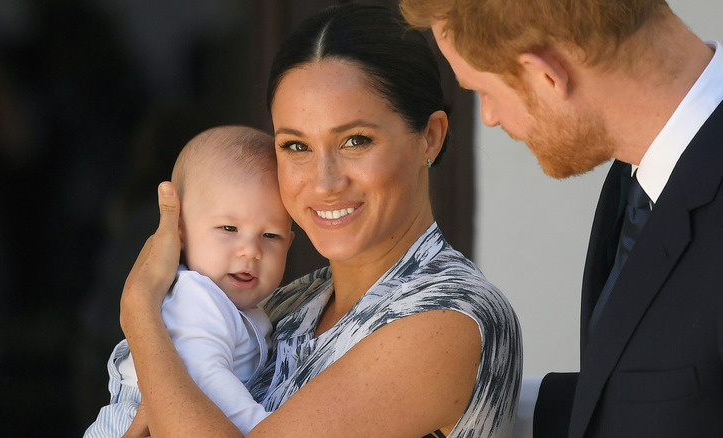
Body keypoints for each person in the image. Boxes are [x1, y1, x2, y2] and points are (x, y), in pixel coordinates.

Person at [117, 4, 522, 438]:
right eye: (295, 146)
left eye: (355, 140)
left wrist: (140, 310)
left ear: (431, 136)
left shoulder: (451, 316)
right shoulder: (288, 304)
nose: (324, 182)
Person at [400, 0, 723, 437]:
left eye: (483, 92)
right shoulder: (644, 171)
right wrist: (468, 399)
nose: (489, 118)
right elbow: (674, 397)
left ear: (548, 76)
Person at [84, 125, 294, 437]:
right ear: (179, 233)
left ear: (290, 242)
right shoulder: (196, 298)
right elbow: (206, 379)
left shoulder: (244, 307)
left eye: (270, 235)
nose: (251, 250)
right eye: (228, 228)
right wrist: (263, 428)